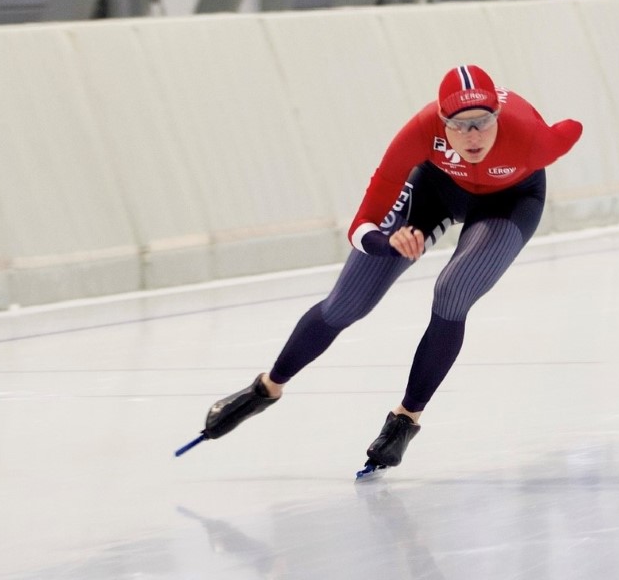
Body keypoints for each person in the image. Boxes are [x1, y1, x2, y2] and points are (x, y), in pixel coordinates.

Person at [199, 65, 583, 476]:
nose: (473, 137)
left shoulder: (531, 139)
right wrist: (387, 242)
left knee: (452, 291)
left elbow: (570, 130)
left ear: (497, 117)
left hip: (509, 202)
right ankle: (266, 388)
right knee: (346, 303)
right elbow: (362, 222)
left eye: (483, 123)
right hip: (436, 189)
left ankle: (405, 420)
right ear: (441, 121)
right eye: (459, 126)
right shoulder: (419, 131)